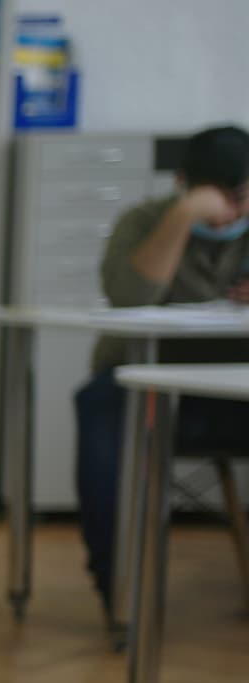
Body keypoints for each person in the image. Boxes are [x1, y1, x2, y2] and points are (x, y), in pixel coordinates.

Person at [82, 124, 249, 619]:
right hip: (150, 386)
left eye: (239, 199)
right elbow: (129, 298)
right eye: (215, 199)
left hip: (236, 391)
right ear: (182, 184)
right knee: (99, 406)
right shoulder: (143, 220)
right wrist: (182, 217)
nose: (228, 214)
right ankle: (119, 587)